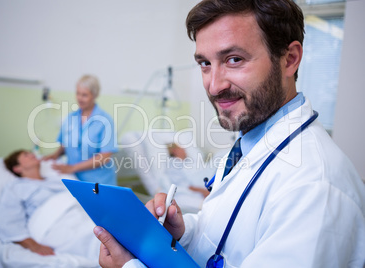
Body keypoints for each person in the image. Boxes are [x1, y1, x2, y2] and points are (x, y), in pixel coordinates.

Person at [94, 1, 365, 267]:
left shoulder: (314, 187)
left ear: (289, 60)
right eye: (204, 63)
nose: (213, 86)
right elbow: (225, 233)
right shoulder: (248, 144)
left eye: (234, 59)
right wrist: (183, 233)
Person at [0, 149, 100, 265]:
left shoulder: (57, 180)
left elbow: (75, 199)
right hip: (54, 224)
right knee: (94, 238)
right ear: (17, 168)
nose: (32, 155)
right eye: (26, 155)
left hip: (79, 213)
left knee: (107, 230)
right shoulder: (16, 188)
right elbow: (9, 222)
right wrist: (34, 245)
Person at [44, 74, 118, 185]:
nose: (79, 98)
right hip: (74, 178)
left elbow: (105, 157)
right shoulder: (70, 118)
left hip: (99, 181)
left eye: (84, 95)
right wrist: (55, 155)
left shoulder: (105, 121)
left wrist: (72, 168)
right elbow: (65, 143)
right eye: (78, 93)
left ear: (94, 95)